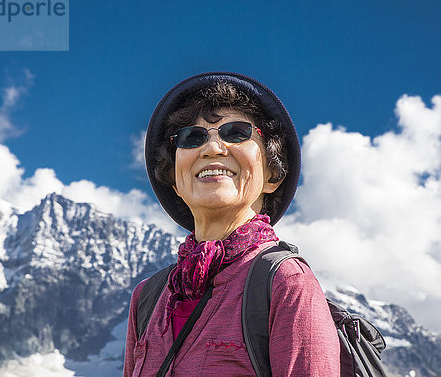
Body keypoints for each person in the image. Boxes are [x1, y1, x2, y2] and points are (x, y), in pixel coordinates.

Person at [124, 72, 340, 376]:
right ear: (174, 179)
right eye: (191, 137)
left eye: (236, 132)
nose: (212, 148)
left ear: (273, 175)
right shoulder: (146, 298)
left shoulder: (286, 282)